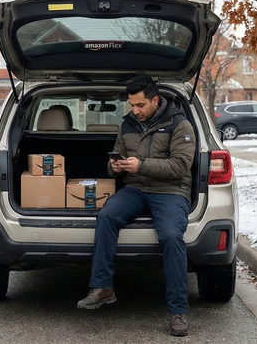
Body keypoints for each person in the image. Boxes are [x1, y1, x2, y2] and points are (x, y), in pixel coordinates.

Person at [77, 75, 196, 338]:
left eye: (140, 105)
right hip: (134, 189)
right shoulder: (128, 124)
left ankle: (178, 311)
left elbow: (180, 166)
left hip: (170, 191)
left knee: (171, 236)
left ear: (155, 100)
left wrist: (141, 165)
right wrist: (115, 166)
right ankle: (102, 288)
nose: (135, 110)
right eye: (131, 105)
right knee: (106, 216)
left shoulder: (180, 124)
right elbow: (114, 159)